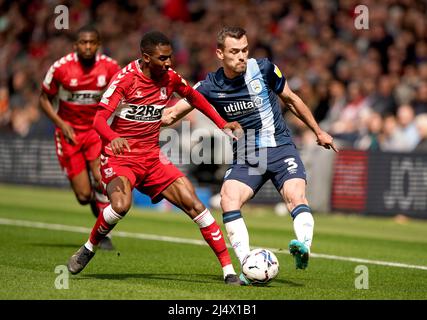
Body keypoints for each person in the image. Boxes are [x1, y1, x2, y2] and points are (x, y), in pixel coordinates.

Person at [162, 26, 337, 284]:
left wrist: (318, 131)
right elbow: (171, 114)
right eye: (234, 51)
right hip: (248, 154)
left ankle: (304, 247)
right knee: (228, 198)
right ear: (220, 54)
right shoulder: (209, 86)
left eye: (244, 49)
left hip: (280, 146)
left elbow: (291, 99)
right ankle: (246, 263)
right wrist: (135, 119)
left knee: (295, 195)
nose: (242, 56)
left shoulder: (264, 69)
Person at [67, 31, 243, 285]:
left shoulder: (170, 77)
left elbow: (194, 97)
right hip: (121, 158)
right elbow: (98, 120)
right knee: (120, 206)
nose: (169, 62)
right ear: (146, 57)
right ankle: (89, 247)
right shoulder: (125, 80)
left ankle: (228, 271)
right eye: (163, 58)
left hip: (152, 158)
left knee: (194, 204)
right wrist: (111, 138)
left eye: (170, 56)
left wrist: (221, 122)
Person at [40, 25, 121, 250]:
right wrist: (61, 123)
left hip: (96, 132)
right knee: (84, 196)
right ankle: (95, 202)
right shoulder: (61, 69)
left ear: (98, 44)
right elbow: (44, 99)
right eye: (83, 43)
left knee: (101, 178)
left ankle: (102, 233)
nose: (87, 46)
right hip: (70, 135)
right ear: (75, 45)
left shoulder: (111, 67)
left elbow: (121, 95)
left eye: (91, 42)